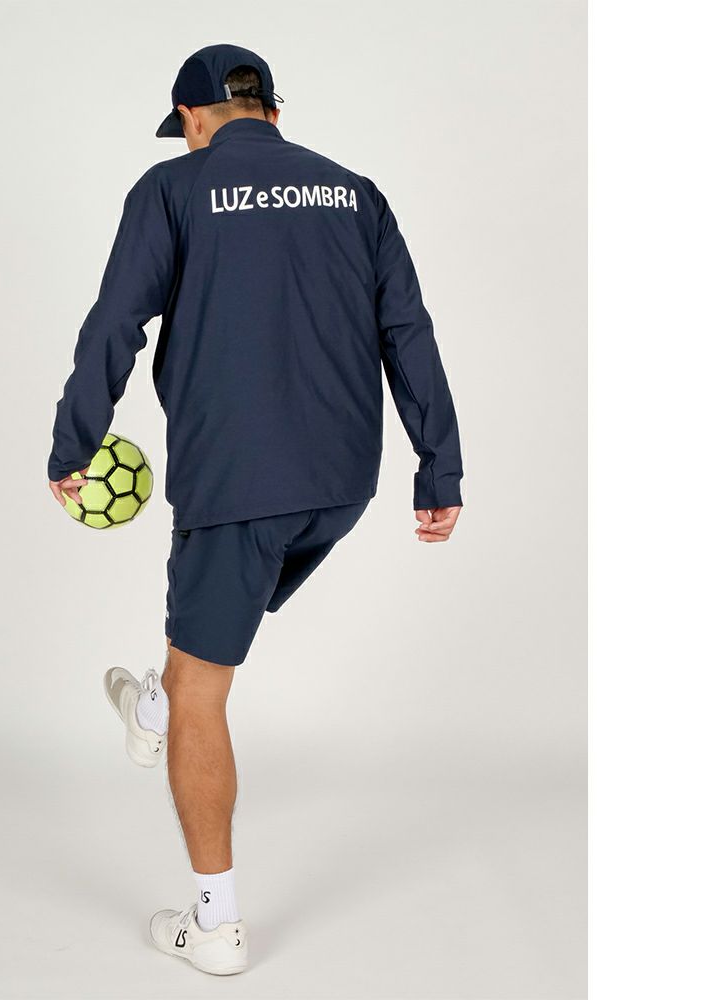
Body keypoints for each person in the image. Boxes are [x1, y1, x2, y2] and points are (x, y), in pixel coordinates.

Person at [47, 43, 464, 975]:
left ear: (195, 119)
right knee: (207, 634)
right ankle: (151, 702)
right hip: (342, 485)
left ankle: (216, 925)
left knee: (205, 687)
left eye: (186, 128)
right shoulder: (354, 192)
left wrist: (73, 442)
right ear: (273, 111)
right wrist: (440, 467)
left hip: (238, 484)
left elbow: (117, 321)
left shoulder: (173, 188)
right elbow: (408, 330)